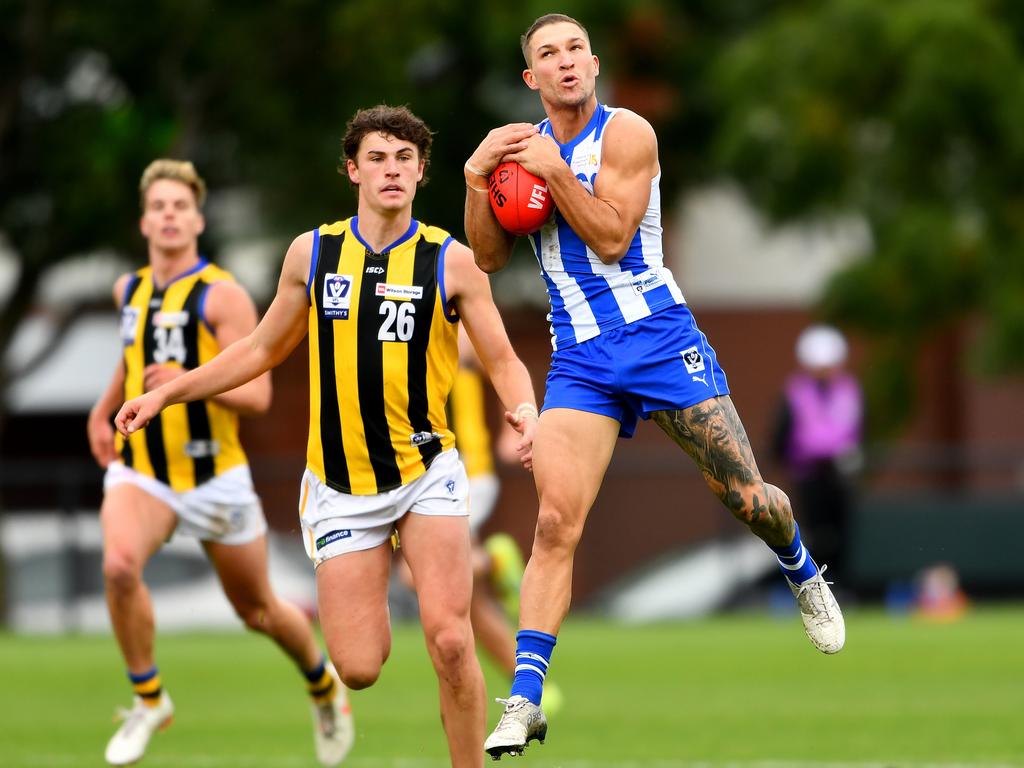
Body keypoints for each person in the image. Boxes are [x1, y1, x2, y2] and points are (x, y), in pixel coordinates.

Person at [462, 14, 847, 758]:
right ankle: (526, 697)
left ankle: (800, 567)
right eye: (549, 54)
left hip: (661, 341)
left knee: (745, 496)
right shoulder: (519, 153)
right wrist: (480, 177)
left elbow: (610, 236)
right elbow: (484, 255)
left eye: (576, 48)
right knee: (553, 526)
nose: (566, 62)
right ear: (530, 79)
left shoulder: (628, 133)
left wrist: (551, 173)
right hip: (579, 360)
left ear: (595, 63)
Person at [114, 106, 539, 768]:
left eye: (404, 159)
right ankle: (370, 616)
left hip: (428, 470)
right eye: (377, 158)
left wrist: (525, 413)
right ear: (352, 169)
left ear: (422, 173)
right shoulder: (312, 254)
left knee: (452, 642)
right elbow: (258, 350)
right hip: (341, 486)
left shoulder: (450, 261)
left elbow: (505, 360)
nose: (391, 170)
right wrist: (168, 390)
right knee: (359, 665)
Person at [86, 159, 354, 766]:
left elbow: (257, 396)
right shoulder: (128, 289)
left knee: (258, 610)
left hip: (215, 477)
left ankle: (320, 682)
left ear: (198, 219)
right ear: (144, 220)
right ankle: (148, 697)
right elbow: (132, 359)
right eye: (159, 207)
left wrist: (183, 383)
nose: (170, 216)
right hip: (146, 474)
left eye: (180, 206)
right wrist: (104, 410)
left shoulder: (221, 294)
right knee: (120, 564)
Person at [395, 325, 564, 713]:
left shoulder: (451, 317)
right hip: (414, 474)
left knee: (416, 575)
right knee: (468, 601)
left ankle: (492, 560)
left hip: (463, 472)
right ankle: (531, 687)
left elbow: (504, 363)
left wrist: (522, 421)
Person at [772, 324, 864, 584]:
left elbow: (856, 429)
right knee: (813, 533)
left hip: (840, 473)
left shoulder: (849, 389)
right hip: (808, 474)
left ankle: (843, 587)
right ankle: (815, 585)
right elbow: (781, 434)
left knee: (843, 534)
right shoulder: (795, 392)